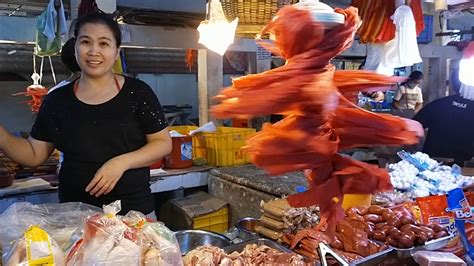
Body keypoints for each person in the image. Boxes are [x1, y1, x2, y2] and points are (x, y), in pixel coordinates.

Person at [0, 12, 172, 216]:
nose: (93, 51)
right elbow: (34, 154)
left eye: (104, 44)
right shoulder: (57, 100)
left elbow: (162, 143)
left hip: (133, 215)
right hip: (75, 216)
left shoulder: (137, 92)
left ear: (116, 52)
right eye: (85, 42)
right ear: (75, 47)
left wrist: (119, 163)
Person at [413, 68, 474, 166]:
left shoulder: (438, 104)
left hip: (431, 164)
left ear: (453, 84)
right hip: (464, 165)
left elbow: (414, 127)